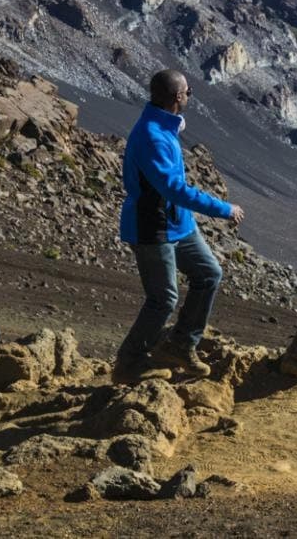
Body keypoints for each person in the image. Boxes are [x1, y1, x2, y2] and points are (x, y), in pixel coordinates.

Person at [115, 67, 244, 381]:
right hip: (152, 228)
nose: (189, 96)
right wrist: (223, 209)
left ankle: (181, 344)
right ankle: (129, 362)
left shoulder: (164, 127)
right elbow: (173, 189)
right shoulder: (153, 137)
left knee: (208, 273)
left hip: (177, 223)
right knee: (163, 299)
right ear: (177, 97)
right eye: (188, 92)